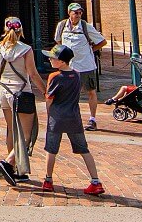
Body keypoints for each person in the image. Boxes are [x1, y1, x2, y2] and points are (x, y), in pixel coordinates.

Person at [38, 45, 106, 195]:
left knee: (51, 149)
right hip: (74, 117)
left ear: (62, 61)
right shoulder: (77, 75)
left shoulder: (54, 77)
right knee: (84, 149)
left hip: (57, 117)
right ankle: (95, 181)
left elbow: (49, 99)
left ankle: (48, 180)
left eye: (53, 58)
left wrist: (49, 114)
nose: (50, 59)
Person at [0, 16, 41, 184]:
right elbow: (32, 74)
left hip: (3, 91)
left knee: (11, 130)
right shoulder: (25, 50)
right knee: (26, 134)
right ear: (21, 30)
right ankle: (8, 163)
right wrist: (46, 91)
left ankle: (16, 169)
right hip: (21, 92)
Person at [54, 2, 107, 130]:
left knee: (91, 92)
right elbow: (58, 40)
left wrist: (90, 50)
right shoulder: (62, 26)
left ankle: (92, 119)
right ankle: (70, 118)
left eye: (80, 12)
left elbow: (102, 41)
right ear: (69, 13)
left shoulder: (86, 27)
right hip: (69, 66)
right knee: (69, 93)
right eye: (75, 12)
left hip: (85, 65)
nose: (78, 15)